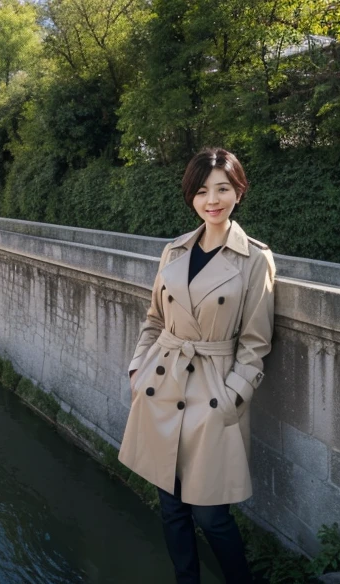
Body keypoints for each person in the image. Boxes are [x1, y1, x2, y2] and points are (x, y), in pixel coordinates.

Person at [118, 148, 276, 583]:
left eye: (222, 189)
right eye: (202, 190)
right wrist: (137, 370)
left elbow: (256, 342)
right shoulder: (174, 252)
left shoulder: (254, 259)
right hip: (161, 388)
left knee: (211, 515)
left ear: (238, 192)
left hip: (213, 390)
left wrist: (231, 399)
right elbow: (153, 319)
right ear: (191, 195)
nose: (212, 200)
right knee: (171, 508)